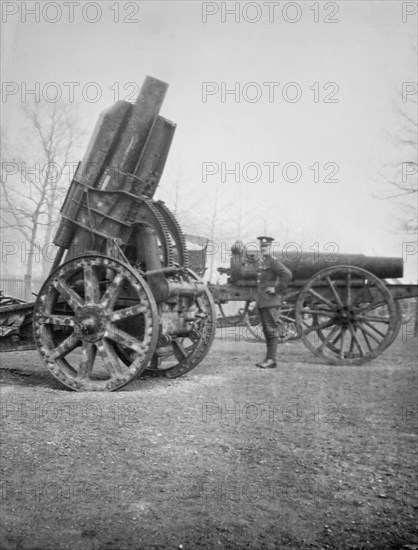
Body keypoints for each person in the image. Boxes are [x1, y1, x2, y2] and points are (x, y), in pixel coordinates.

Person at [255, 236, 292, 368]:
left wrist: (277, 289)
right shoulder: (263, 261)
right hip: (264, 301)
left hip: (271, 301)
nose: (263, 248)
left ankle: (271, 360)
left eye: (265, 246)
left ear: (270, 247)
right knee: (267, 330)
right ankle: (269, 359)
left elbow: (287, 274)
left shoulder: (273, 261)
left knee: (271, 330)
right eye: (261, 246)